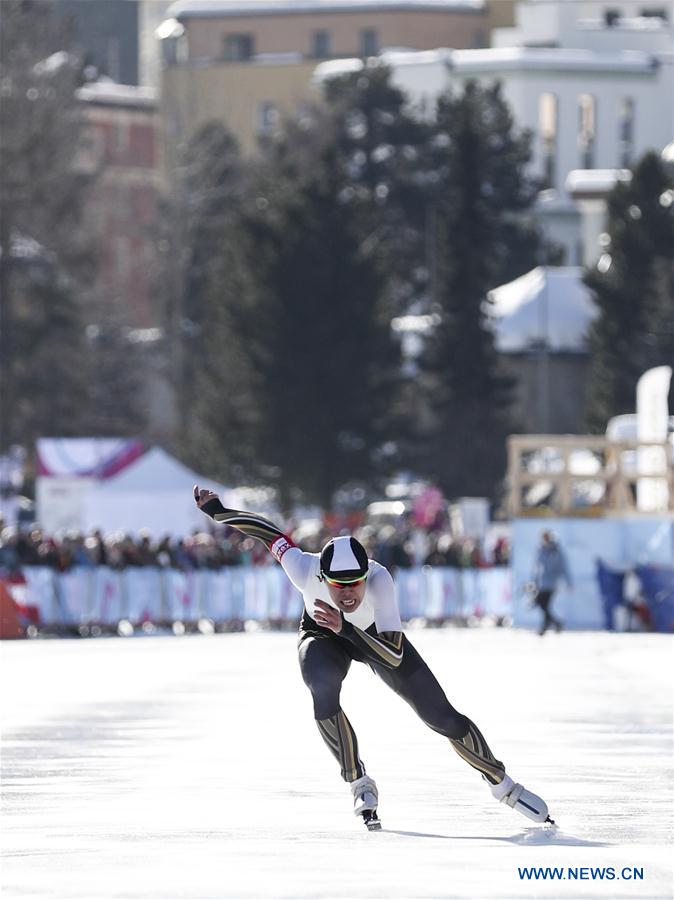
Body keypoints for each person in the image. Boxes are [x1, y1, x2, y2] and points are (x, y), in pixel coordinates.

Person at [194, 486, 554, 830]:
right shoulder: (303, 568)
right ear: (324, 576)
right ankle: (358, 781)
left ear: (368, 575)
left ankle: (500, 782)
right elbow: (268, 533)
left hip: (376, 641)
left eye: (356, 583)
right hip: (323, 634)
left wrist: (347, 628)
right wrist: (220, 512)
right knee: (321, 687)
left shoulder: (381, 579)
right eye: (339, 585)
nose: (349, 593)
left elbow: (394, 656)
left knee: (441, 716)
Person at [532, 530, 572, 636]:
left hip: (552, 582)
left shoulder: (556, 551)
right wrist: (534, 580)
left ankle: (549, 625)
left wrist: (569, 582)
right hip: (542, 582)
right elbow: (537, 567)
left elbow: (564, 568)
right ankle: (554, 624)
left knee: (544, 605)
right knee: (543, 605)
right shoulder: (541, 550)